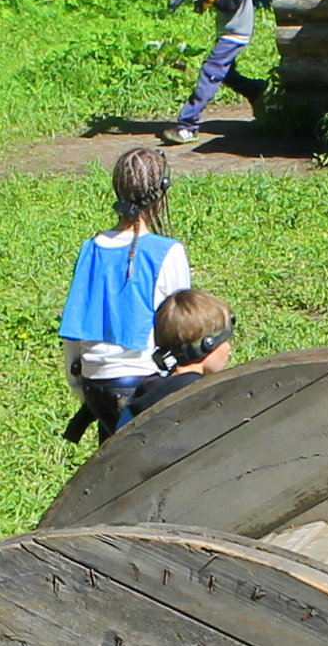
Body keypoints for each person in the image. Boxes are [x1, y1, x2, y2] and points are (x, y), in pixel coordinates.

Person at [58, 143, 193, 443]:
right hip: (143, 384)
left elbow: (73, 329)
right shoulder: (166, 251)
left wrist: (79, 386)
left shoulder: (91, 247)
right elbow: (184, 326)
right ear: (161, 193)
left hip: (95, 385)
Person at [163, 0, 268, 144]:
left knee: (210, 72)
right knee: (226, 74)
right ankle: (257, 91)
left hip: (235, 32)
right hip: (230, 30)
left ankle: (187, 125)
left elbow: (232, 3)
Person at [113, 286, 238, 430]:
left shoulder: (143, 394)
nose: (229, 348)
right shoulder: (206, 399)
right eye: (225, 340)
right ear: (208, 344)